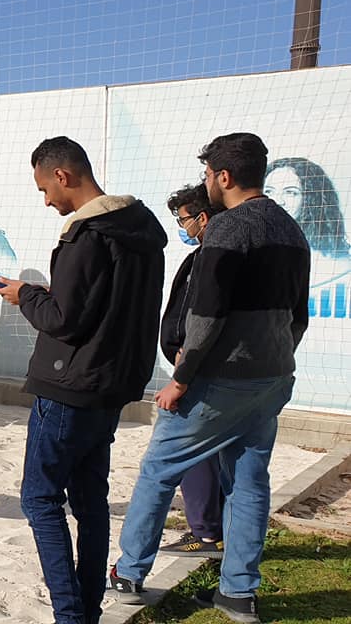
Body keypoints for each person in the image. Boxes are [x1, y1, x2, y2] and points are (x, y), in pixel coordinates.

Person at [112, 133, 309, 623]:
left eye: (207, 175)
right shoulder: (292, 230)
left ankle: (129, 574)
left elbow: (206, 317)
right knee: (248, 482)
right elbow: (298, 316)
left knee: (159, 470)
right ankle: (238, 594)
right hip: (273, 377)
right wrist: (276, 359)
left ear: (223, 177)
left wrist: (181, 378)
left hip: (219, 380)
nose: (205, 183)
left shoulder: (226, 231)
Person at [0, 136, 166, 624]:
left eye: (44, 187)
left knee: (39, 498)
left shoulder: (86, 234)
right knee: (90, 502)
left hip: (70, 386)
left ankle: (71, 614)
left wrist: (26, 295)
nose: (45, 199)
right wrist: (44, 294)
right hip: (110, 384)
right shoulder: (141, 233)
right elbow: (100, 308)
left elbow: (65, 319)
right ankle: (87, 610)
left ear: (63, 176)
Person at [156, 183, 226, 560]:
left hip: (196, 369)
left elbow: (201, 317)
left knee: (189, 448)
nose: (181, 226)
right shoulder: (204, 254)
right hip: (198, 365)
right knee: (213, 452)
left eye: (183, 219)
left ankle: (204, 532)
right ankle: (214, 529)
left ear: (202, 217)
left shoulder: (210, 257)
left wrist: (183, 369)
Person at [263, 156, 350, 318]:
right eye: (269, 191)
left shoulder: (337, 263)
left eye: (290, 192)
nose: (277, 201)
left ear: (311, 199)